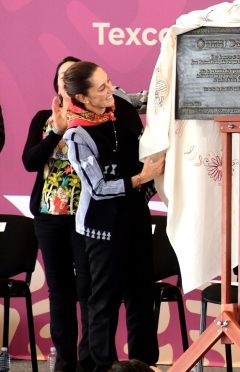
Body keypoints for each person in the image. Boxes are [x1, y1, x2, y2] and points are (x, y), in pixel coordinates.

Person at [61, 61, 164, 372]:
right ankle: (103, 366)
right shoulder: (77, 136)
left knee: (142, 294)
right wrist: (142, 177)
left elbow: (152, 100)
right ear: (82, 98)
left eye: (108, 82)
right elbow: (98, 188)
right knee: (104, 300)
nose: (111, 91)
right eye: (101, 88)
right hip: (102, 227)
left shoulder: (118, 101)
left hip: (136, 217)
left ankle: (144, 364)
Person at [22, 56, 94, 372]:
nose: (66, 80)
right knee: (59, 290)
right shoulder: (42, 118)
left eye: (72, 75)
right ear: (57, 83)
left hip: (87, 216)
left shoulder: (98, 117)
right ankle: (65, 362)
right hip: (49, 216)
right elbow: (29, 162)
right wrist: (57, 132)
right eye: (62, 75)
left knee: (88, 289)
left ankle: (90, 361)